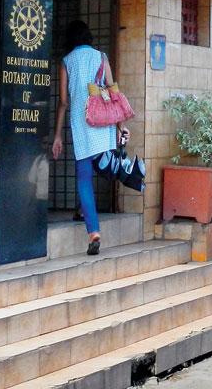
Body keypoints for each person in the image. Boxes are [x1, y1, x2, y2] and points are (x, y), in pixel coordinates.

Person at [52, 20, 126, 256]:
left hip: (82, 124)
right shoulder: (101, 57)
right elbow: (113, 91)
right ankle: (84, 210)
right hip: (103, 123)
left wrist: (57, 136)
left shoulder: (66, 62)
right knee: (102, 164)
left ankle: (93, 231)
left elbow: (63, 101)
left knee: (84, 178)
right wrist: (119, 126)